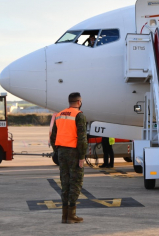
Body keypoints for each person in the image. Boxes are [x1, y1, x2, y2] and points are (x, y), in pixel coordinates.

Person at [50, 92, 88, 224]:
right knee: (76, 182)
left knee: (64, 182)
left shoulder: (59, 115)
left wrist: (57, 151)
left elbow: (52, 136)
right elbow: (82, 138)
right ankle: (72, 215)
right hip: (74, 152)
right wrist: (82, 156)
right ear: (79, 102)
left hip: (61, 152)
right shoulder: (79, 115)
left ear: (69, 102)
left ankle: (64, 215)